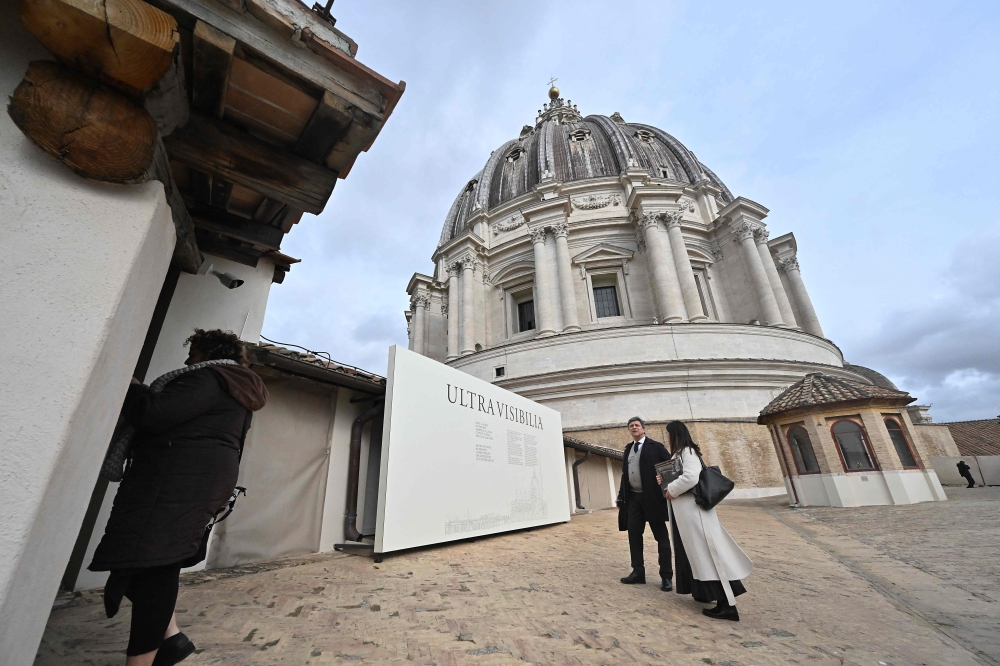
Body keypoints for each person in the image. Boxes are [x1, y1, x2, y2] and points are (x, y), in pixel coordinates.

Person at [89, 329, 268, 666]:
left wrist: (131, 386)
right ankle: (171, 639)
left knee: (154, 567)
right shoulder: (232, 385)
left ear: (210, 351)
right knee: (149, 563)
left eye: (194, 352)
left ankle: (142, 661)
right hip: (188, 481)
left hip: (178, 482)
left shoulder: (210, 379)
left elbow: (154, 414)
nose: (188, 359)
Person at [657, 420, 752, 621]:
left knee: (710, 555)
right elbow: (679, 477)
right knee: (699, 556)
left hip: (695, 513)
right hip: (686, 515)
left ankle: (728, 606)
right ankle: (708, 594)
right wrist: (663, 482)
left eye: (668, 434)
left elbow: (691, 477)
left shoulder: (688, 452)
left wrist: (672, 489)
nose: (667, 438)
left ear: (676, 434)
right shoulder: (678, 454)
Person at [616, 416, 673, 591]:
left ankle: (666, 576)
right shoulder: (628, 449)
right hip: (634, 499)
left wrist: (666, 485)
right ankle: (638, 572)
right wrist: (620, 496)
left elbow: (670, 468)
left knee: (661, 537)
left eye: (637, 425)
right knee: (634, 535)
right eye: (631, 426)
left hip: (653, 499)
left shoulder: (656, 447)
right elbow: (626, 475)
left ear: (643, 429)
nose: (634, 428)